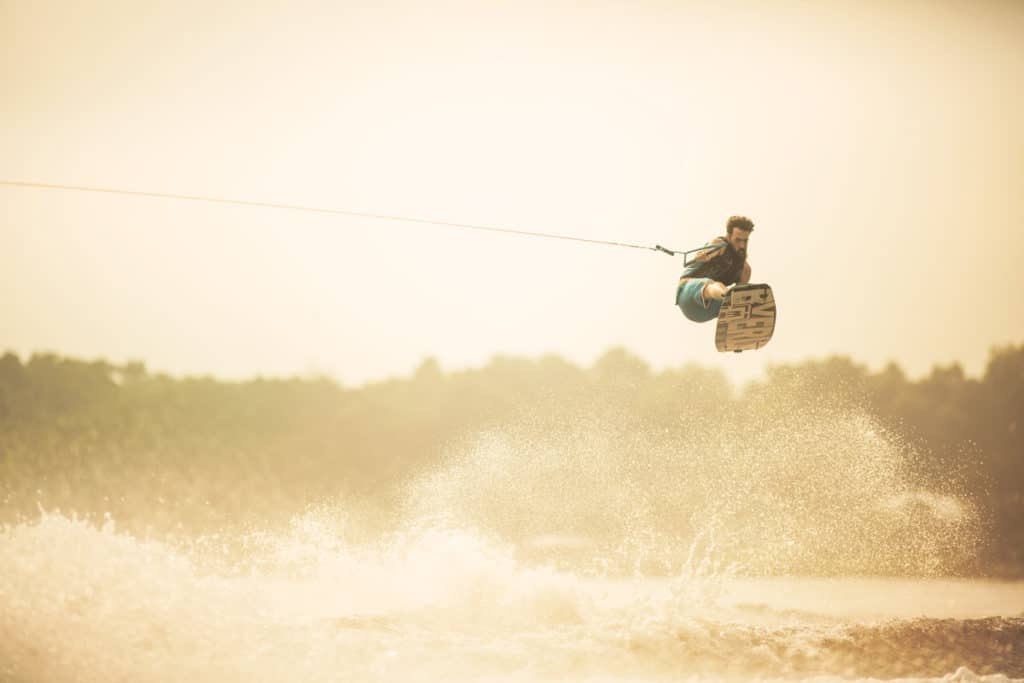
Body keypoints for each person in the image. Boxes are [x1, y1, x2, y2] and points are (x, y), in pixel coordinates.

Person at [676, 215, 753, 323]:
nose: (742, 246)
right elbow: (703, 255)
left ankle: (737, 320)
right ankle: (726, 296)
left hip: (707, 310)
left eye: (745, 241)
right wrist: (703, 256)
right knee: (713, 284)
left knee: (737, 302)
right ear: (729, 236)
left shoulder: (745, 270)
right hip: (688, 296)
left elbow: (739, 295)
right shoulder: (720, 245)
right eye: (738, 240)